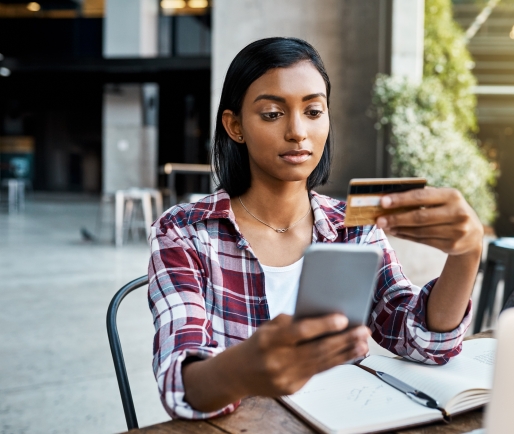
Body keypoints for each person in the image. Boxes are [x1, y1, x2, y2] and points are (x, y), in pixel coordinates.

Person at [148, 37, 483, 419]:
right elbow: (180, 384)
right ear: (235, 126)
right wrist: (243, 368)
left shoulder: (352, 227)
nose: (297, 131)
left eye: (313, 111)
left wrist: (466, 253)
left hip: (346, 420)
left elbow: (423, 340)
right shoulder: (185, 232)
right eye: (273, 113)